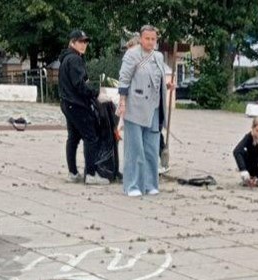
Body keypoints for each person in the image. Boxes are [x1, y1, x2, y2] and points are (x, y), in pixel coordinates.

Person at [117, 25, 172, 197]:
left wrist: (167, 86)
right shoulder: (132, 54)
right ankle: (132, 185)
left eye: (153, 39)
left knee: (150, 148)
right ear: (141, 38)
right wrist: (122, 102)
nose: (150, 42)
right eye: (147, 38)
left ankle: (150, 184)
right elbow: (124, 79)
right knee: (135, 149)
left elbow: (158, 79)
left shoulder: (158, 56)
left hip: (154, 108)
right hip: (135, 106)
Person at [58, 29, 109, 186]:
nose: (84, 44)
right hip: (77, 104)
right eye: (81, 41)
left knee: (73, 138)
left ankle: (73, 173)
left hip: (67, 103)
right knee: (90, 137)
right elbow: (79, 85)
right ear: (72, 42)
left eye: (86, 42)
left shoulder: (66, 59)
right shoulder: (74, 60)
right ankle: (91, 175)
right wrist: (95, 93)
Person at [234, 116, 258, 187]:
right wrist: (242, 169)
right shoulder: (249, 137)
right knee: (242, 152)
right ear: (252, 129)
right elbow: (236, 151)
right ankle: (248, 177)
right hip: (250, 164)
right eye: (256, 130)